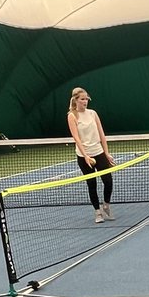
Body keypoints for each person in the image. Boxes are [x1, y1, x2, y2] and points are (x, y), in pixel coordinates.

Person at [67, 86, 115, 223]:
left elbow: (101, 134)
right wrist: (86, 156)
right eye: (82, 99)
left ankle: (106, 205)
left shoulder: (93, 113)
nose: (85, 101)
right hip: (84, 156)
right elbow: (76, 138)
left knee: (108, 181)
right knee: (91, 184)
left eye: (86, 99)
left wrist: (107, 153)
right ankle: (98, 212)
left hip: (98, 152)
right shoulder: (72, 116)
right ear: (76, 100)